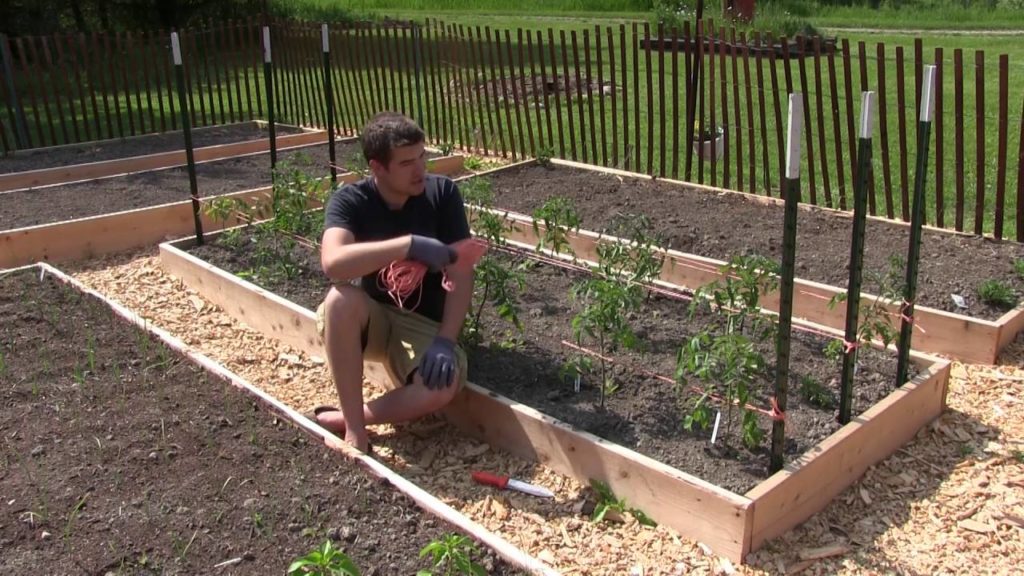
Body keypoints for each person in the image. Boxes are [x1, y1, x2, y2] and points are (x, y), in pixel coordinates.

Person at [313, 112, 474, 454]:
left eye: (421, 157)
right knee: (339, 300)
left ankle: (350, 416)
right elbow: (333, 263)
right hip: (377, 319)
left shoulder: (442, 195)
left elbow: (462, 272)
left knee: (440, 389)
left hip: (424, 325)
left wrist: (446, 340)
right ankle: (355, 431)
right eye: (405, 163)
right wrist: (408, 245)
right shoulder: (351, 201)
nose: (420, 170)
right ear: (378, 167)